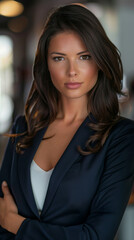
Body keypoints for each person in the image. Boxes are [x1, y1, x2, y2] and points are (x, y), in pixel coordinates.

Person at [0, 3, 134, 240]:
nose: (72, 71)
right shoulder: (23, 128)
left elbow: (97, 235)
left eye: (84, 57)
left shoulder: (120, 137)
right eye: (59, 58)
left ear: (99, 62)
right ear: (46, 65)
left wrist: (18, 226)